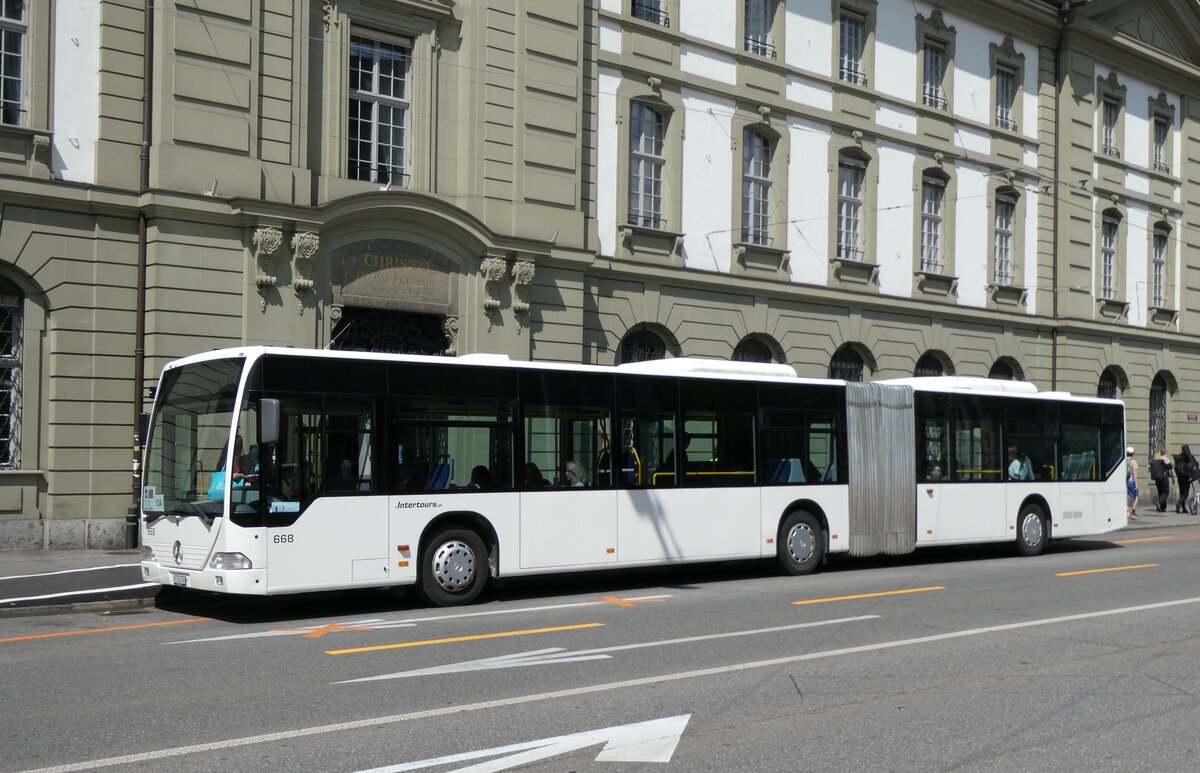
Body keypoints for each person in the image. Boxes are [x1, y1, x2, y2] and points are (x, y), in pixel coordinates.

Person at [1175, 444, 1197, 513]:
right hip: (1186, 477)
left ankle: (1183, 508)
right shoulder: (1189, 457)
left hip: (1180, 477)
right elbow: (1195, 464)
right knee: (1186, 493)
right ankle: (1179, 503)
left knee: (1182, 492)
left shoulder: (1179, 457)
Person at [1126, 446, 1140, 520]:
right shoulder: (1133, 462)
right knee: (1136, 496)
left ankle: (1126, 512)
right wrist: (1136, 483)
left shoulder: (1123, 460)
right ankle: (1133, 512)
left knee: (1126, 497)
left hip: (1125, 481)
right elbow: (1134, 473)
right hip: (1131, 481)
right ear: (1133, 453)